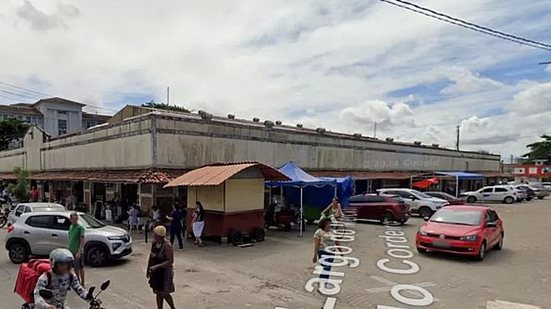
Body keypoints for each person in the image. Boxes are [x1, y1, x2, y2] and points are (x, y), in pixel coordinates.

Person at [147, 226, 176, 309]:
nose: (153, 235)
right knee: (158, 292)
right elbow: (151, 256)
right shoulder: (154, 243)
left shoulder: (167, 246)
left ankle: (173, 307)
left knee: (164, 293)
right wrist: (148, 268)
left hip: (165, 272)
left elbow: (170, 261)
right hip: (156, 271)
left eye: (155, 234)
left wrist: (157, 266)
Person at [68, 212, 86, 287]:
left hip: (78, 251)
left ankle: (82, 282)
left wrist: (79, 252)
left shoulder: (80, 228)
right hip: (71, 250)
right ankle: (76, 281)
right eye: (73, 219)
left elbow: (82, 240)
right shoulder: (71, 227)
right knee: (74, 267)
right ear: (70, 219)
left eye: (76, 219)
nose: (75, 220)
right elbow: (70, 237)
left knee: (80, 267)